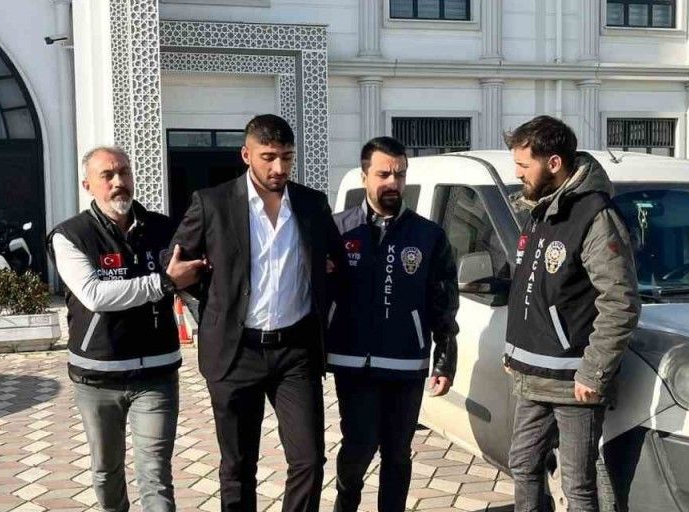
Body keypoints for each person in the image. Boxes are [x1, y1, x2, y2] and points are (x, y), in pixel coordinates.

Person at [171, 114, 345, 512]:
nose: (279, 167)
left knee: (309, 460)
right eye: (269, 157)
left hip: (295, 352)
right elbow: (178, 260)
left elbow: (334, 262)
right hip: (236, 352)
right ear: (246, 155)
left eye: (287, 157)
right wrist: (210, 302)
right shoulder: (212, 203)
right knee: (238, 466)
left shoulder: (312, 204)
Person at [47, 146, 205, 512]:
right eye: (107, 175)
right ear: (88, 184)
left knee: (155, 474)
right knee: (106, 472)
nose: (119, 182)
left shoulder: (163, 229)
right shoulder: (70, 235)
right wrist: (163, 282)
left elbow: (191, 287)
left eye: (124, 173)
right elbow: (95, 295)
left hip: (157, 373)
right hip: (97, 376)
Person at [502, 116, 641, 512]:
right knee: (523, 464)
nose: (518, 174)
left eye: (524, 165)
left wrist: (594, 371)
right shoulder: (540, 210)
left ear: (554, 163)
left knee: (577, 484)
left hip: (574, 381)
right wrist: (513, 352)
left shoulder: (594, 216)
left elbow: (621, 300)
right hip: (533, 374)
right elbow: (532, 290)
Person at [326, 136, 459, 512]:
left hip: (406, 363)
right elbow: (313, 291)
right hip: (353, 362)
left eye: (399, 174)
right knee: (358, 447)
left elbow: (444, 301)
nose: (393, 183)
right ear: (365, 176)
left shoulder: (428, 235)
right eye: (383, 174)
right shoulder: (338, 230)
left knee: (398, 453)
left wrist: (445, 359)